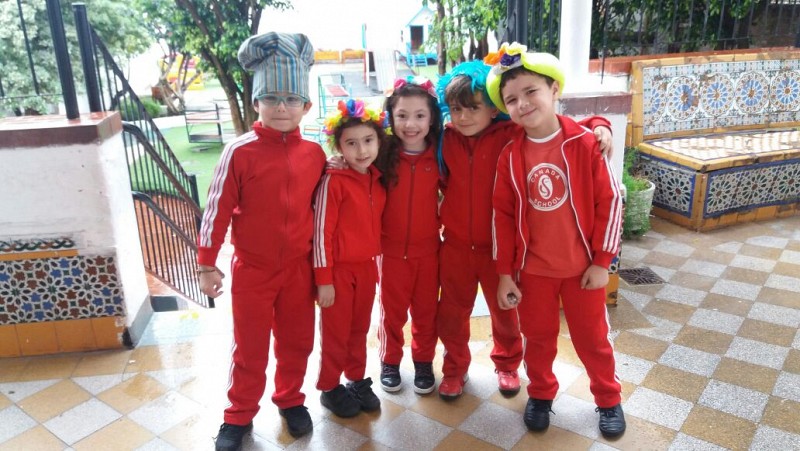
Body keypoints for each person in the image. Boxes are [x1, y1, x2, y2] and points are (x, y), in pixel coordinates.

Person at [435, 60, 614, 400]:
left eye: (473, 108)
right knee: (452, 315)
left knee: (506, 313)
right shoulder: (445, 140)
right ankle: (455, 369)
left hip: (500, 251)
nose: (464, 117)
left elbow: (556, 127)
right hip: (455, 247)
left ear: (493, 109)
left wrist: (599, 124)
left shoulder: (510, 134)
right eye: (456, 109)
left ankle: (507, 365)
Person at [487, 43, 626, 437]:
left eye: (531, 91)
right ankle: (541, 393)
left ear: (554, 89)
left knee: (593, 339)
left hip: (583, 271)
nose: (522, 104)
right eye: (511, 99)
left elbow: (610, 201)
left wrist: (602, 262)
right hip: (533, 273)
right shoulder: (510, 155)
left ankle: (608, 398)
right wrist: (505, 273)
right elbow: (501, 216)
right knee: (538, 339)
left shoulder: (585, 143)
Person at [196, 32, 325, 450]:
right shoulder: (240, 152)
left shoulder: (315, 155)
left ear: (306, 106)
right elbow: (215, 210)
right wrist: (207, 263)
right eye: (271, 98)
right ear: (256, 103)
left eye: (291, 99)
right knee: (249, 348)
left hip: (299, 271)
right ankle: (238, 415)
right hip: (253, 271)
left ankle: (291, 399)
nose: (281, 107)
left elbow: (326, 209)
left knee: (297, 342)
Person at [313, 99, 388, 417]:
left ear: (379, 141)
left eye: (368, 140)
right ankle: (329, 387)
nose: (361, 150)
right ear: (339, 147)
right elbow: (321, 232)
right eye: (351, 143)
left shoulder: (376, 178)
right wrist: (324, 280)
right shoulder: (333, 180)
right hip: (337, 273)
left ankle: (356, 379)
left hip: (367, 268)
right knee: (336, 333)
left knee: (359, 329)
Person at [373, 76, 443, 395]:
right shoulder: (381, 154)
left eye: (419, 115)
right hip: (389, 253)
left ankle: (424, 362)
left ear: (432, 118)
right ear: (391, 117)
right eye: (402, 115)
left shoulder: (440, 154)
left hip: (429, 252)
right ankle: (389, 361)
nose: (410, 124)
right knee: (392, 312)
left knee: (427, 313)